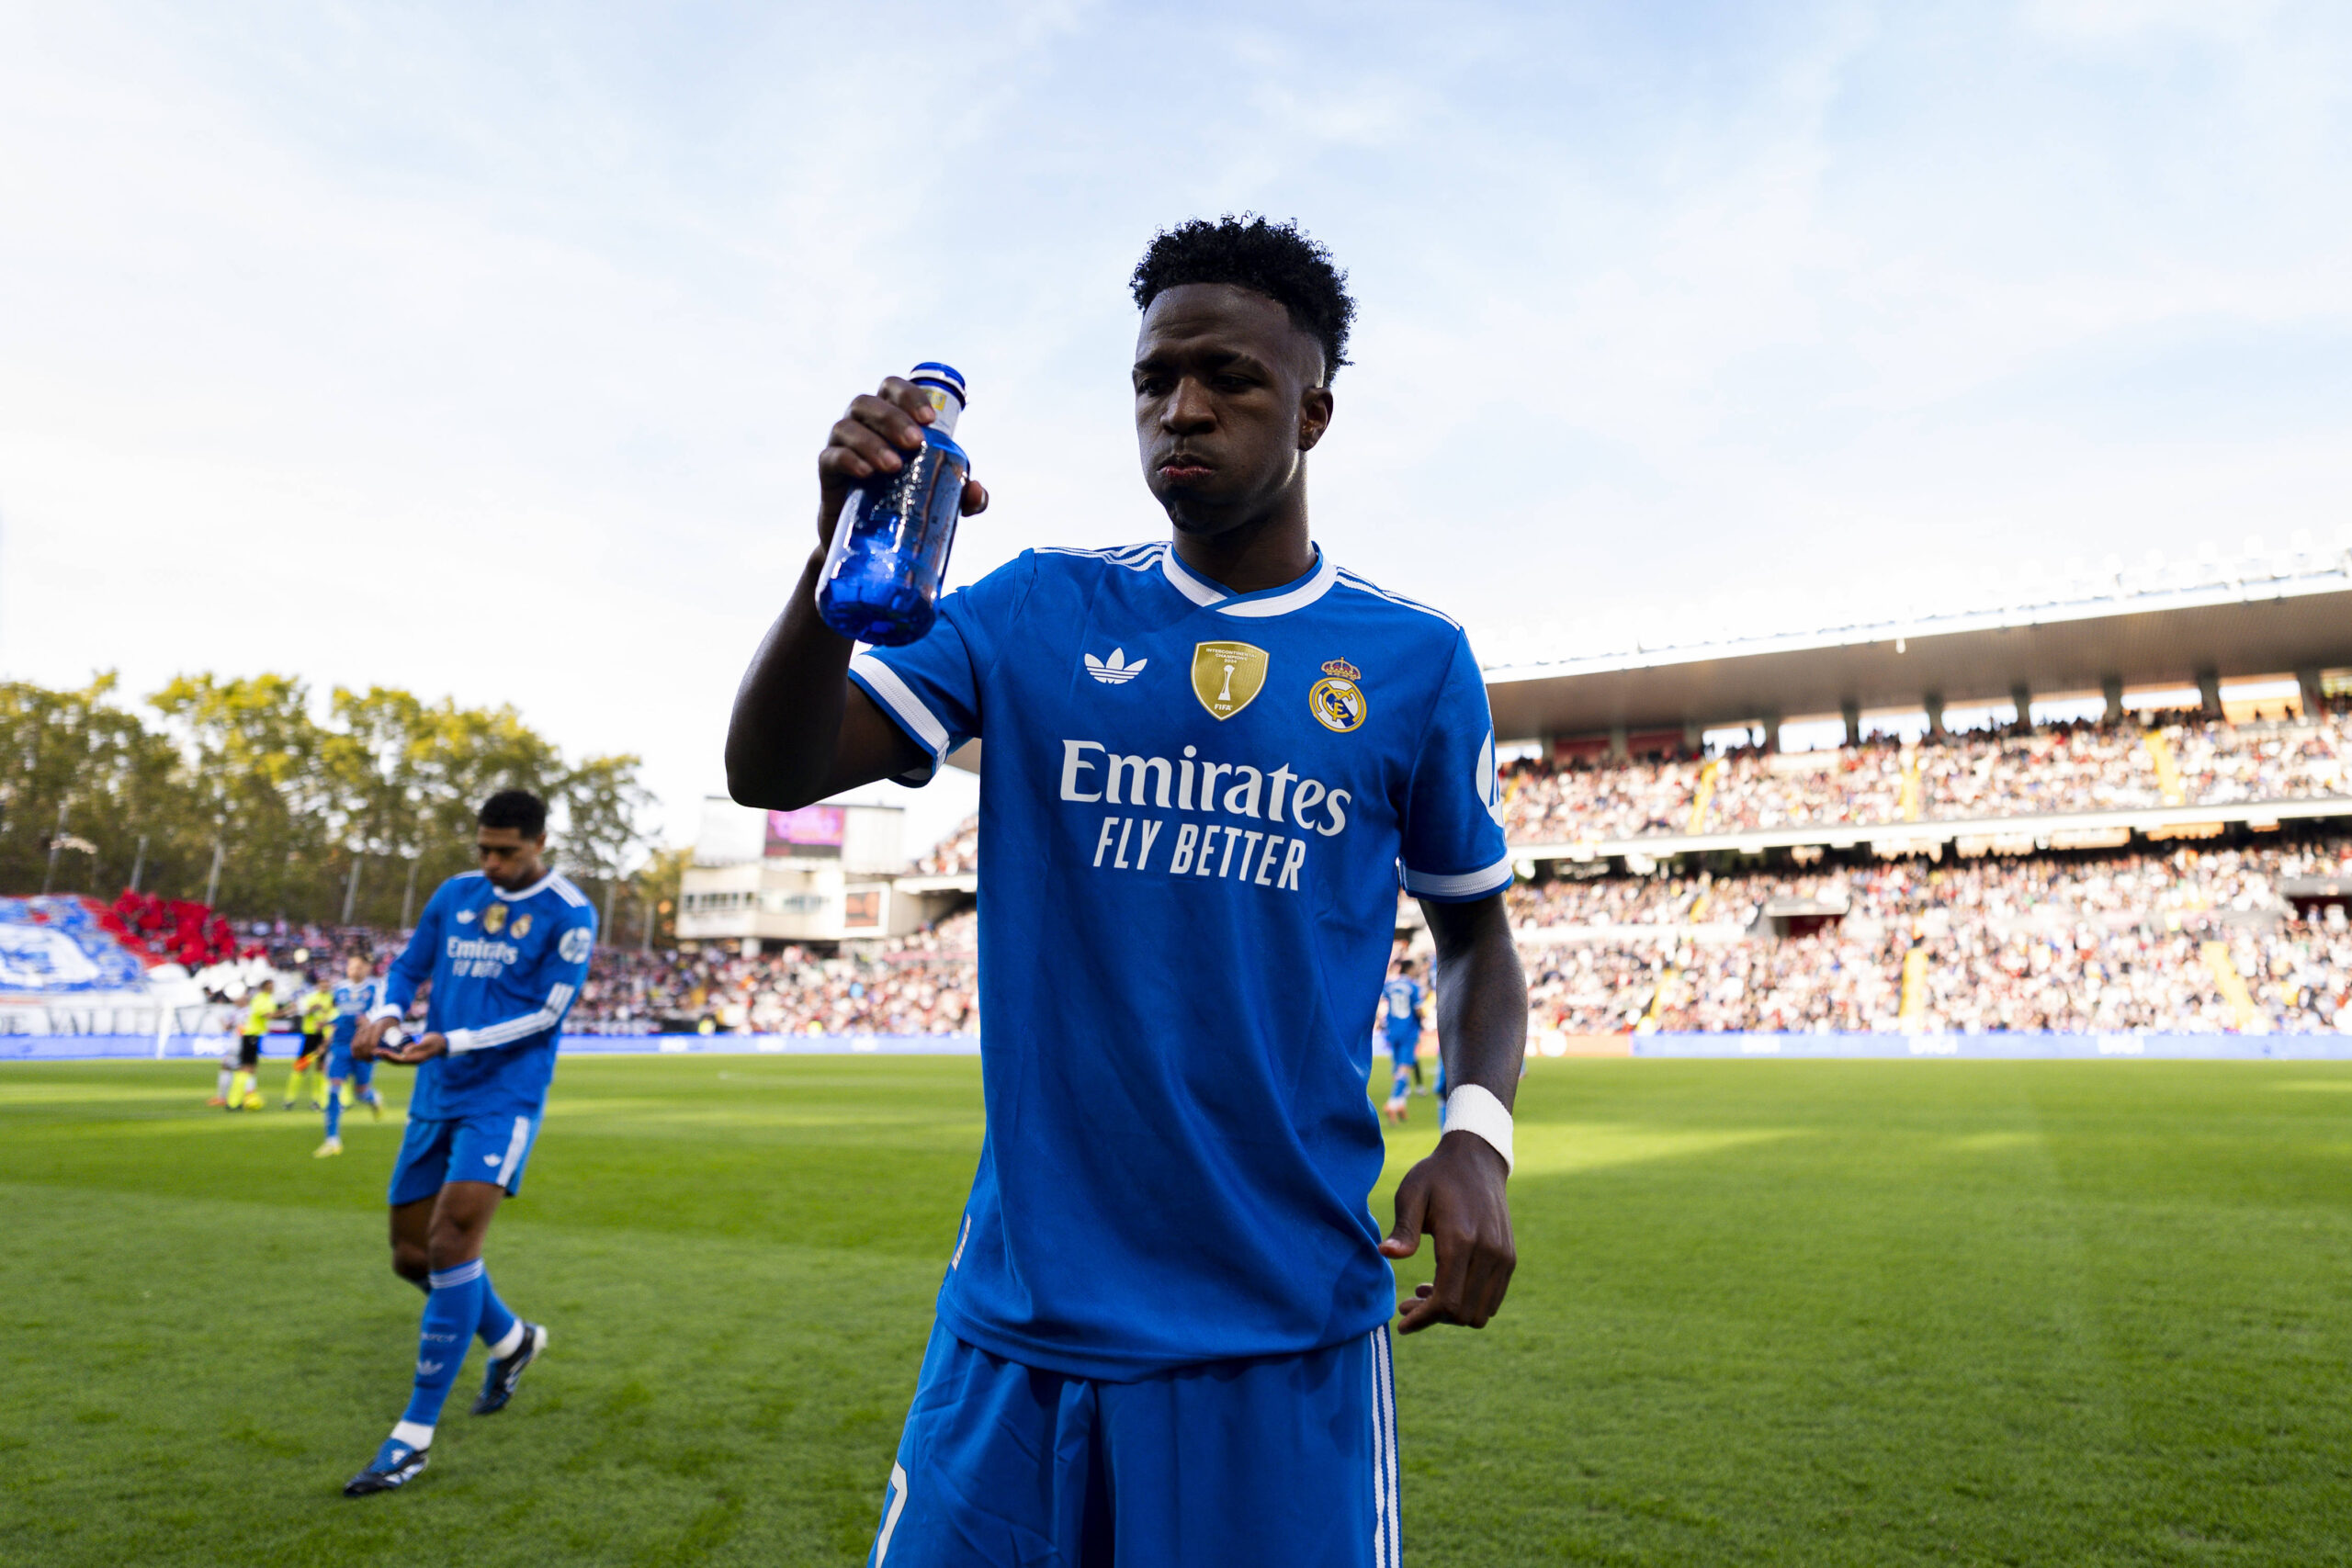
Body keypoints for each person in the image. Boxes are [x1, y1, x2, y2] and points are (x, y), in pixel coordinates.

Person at [727, 215, 1528, 1564]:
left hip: (1277, 1336)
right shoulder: (1033, 611)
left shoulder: (1413, 660)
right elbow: (775, 766)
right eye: (1155, 378)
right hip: (1019, 1329)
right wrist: (833, 557)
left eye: (1232, 378)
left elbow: (1477, 937)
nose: (1183, 407)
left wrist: (1476, 1132)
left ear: (1316, 411)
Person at [338, 789, 597, 1496]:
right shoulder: (455, 893)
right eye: (483, 848)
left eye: (506, 851)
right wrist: (387, 1011)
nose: (491, 862)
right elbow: (408, 966)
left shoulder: (570, 912)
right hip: (435, 1090)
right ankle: (513, 1340)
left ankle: (412, 1438)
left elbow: (547, 1013)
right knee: (410, 1254)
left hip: (502, 1098)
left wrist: (450, 1039)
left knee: (453, 1243)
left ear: (540, 842)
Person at [316, 953, 388, 1158]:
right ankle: (332, 1140)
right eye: (352, 966)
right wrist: (328, 1025)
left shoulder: (376, 987)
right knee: (333, 1089)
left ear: (367, 968)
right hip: (340, 1047)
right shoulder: (340, 989)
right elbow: (339, 1014)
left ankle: (373, 1098)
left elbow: (384, 1012)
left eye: (360, 967)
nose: (355, 970)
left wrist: (371, 1021)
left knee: (360, 1093)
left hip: (364, 1046)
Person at [1380, 960, 1425, 1123]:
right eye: (1415, 968)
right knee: (1405, 1068)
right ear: (1409, 969)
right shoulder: (1413, 986)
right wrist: (1423, 1021)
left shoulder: (1390, 985)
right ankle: (1392, 1103)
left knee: (1397, 1066)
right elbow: (1418, 1010)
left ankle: (1400, 1105)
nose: (1417, 970)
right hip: (1408, 1031)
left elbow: (1380, 998)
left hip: (1392, 1030)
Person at [224, 976, 278, 1111]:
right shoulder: (260, 999)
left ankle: (240, 1099)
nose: (273, 988)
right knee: (246, 1068)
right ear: (265, 987)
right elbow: (267, 1015)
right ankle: (233, 1102)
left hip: (254, 1036)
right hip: (251, 1036)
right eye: (270, 985)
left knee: (250, 1069)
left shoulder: (266, 999)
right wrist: (288, 1011)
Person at [285, 976, 334, 1111]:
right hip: (310, 1035)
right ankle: (289, 1099)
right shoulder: (310, 997)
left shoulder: (332, 999)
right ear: (318, 984)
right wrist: (312, 1009)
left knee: (321, 1068)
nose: (324, 986)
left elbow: (334, 1015)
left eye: (326, 983)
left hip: (323, 1035)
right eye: (322, 983)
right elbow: (301, 1012)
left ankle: (317, 1100)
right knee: (301, 1066)